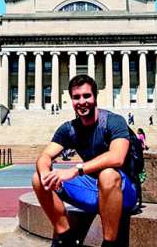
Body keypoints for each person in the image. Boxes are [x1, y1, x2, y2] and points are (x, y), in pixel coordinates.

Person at [32, 75, 138, 247]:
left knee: (108, 174)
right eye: (76, 97)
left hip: (122, 191)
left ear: (95, 97)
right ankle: (66, 238)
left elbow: (116, 157)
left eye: (86, 96)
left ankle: (110, 244)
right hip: (92, 189)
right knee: (38, 179)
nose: (82, 102)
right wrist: (45, 173)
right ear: (71, 100)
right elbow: (45, 156)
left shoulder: (113, 121)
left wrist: (76, 170)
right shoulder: (69, 128)